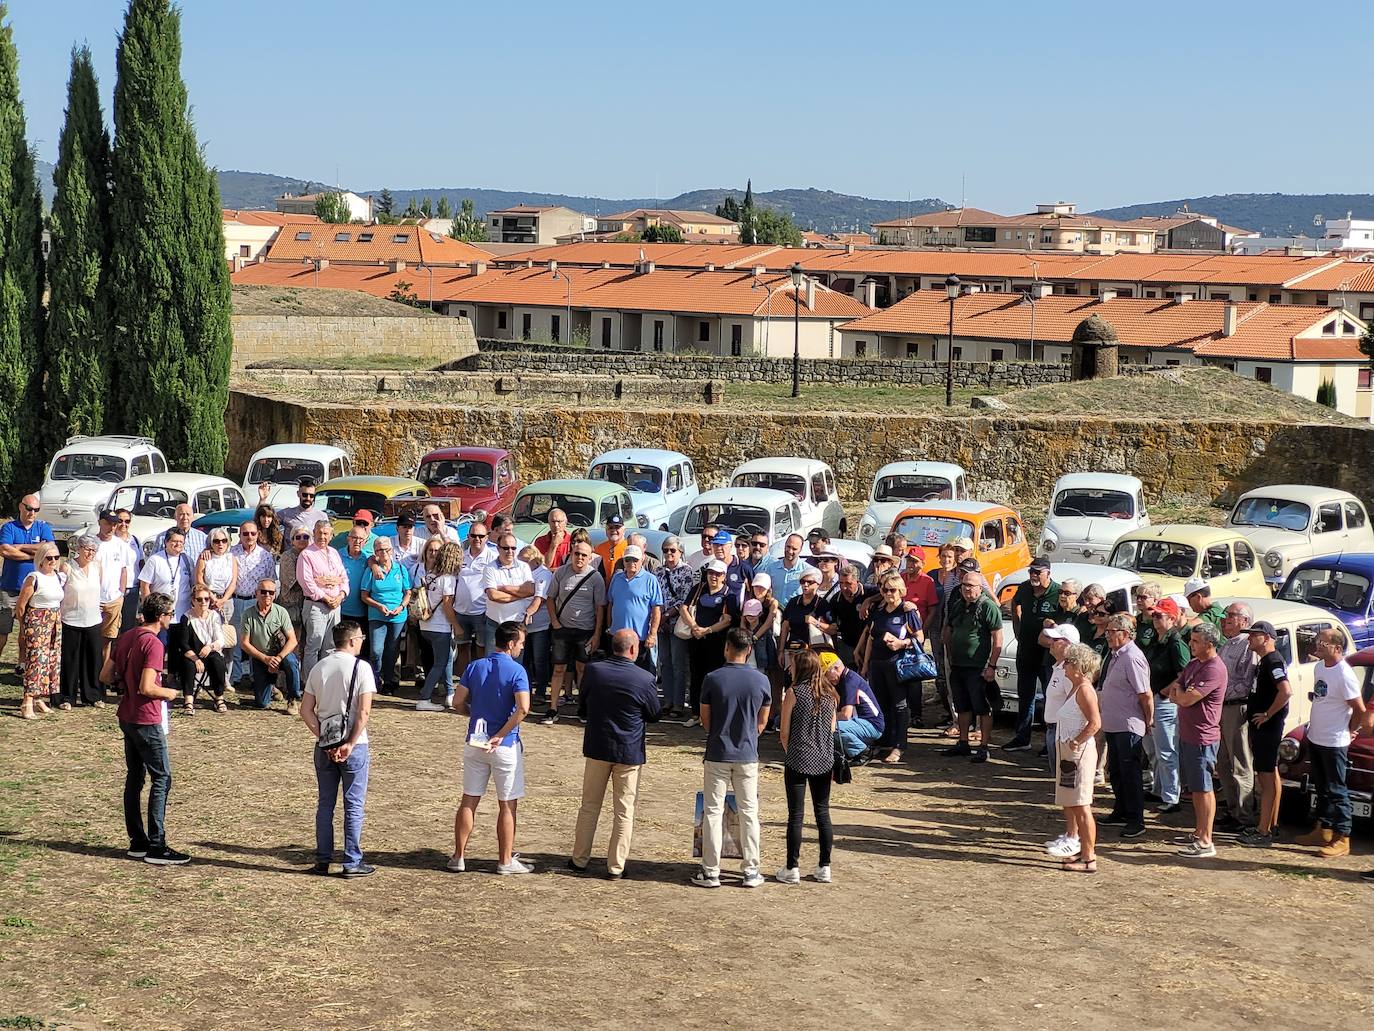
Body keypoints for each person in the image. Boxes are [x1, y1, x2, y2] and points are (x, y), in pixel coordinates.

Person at [568, 630, 661, 879]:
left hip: (598, 746)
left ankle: (579, 859)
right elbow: (654, 714)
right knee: (624, 810)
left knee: (589, 805)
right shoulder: (644, 678)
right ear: (633, 649)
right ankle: (616, 865)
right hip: (628, 751)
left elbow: (583, 705)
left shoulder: (594, 670)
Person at [105, 592, 190, 865]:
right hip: (146, 717)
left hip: (127, 715)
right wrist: (171, 693)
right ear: (162, 616)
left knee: (134, 777)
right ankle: (156, 845)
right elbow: (147, 687)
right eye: (170, 614)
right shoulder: (153, 645)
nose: (171, 618)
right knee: (162, 778)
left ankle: (137, 841)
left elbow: (104, 675)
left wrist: (123, 680)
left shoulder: (127, 636)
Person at [449, 621, 533, 876]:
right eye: (520, 643)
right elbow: (523, 709)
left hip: (476, 741)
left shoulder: (475, 666)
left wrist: (473, 717)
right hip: (505, 746)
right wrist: (501, 735)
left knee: (469, 799)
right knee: (507, 804)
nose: (521, 648)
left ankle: (458, 856)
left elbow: (457, 702)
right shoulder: (517, 671)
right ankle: (505, 860)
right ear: (511, 644)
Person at [692, 628, 771, 889]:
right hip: (747, 753)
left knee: (713, 812)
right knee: (749, 812)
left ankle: (711, 870)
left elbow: (706, 720)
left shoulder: (712, 678)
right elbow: (762, 722)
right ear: (749, 651)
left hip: (718, 751)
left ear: (727, 648)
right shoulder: (761, 680)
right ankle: (751, 870)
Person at [301, 620, 377, 878]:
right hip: (355, 746)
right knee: (353, 805)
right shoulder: (361, 668)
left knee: (325, 804)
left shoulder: (319, 667)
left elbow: (306, 710)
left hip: (324, 745)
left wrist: (324, 738)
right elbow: (364, 711)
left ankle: (323, 858)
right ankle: (351, 861)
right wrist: (350, 743)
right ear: (353, 640)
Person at [1293, 629, 1368, 859]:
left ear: (1336, 647)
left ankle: (1342, 836)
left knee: (1337, 789)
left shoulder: (1344, 674)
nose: (1317, 644)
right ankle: (1323, 829)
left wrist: (1351, 729)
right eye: (1317, 641)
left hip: (1335, 741)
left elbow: (1359, 709)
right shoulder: (1319, 667)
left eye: (1322, 642)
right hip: (1317, 736)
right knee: (1321, 787)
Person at [1163, 622, 1226, 859]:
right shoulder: (1193, 664)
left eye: (1196, 641)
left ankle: (1206, 840)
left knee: (1203, 789)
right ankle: (1199, 831)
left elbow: (1187, 699)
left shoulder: (1214, 669)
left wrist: (1181, 694)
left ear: (1209, 644)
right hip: (1188, 734)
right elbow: (1176, 689)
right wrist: (1181, 693)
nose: (1191, 645)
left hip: (1203, 737)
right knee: (1195, 789)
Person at [776, 649, 838, 884]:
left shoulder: (794, 693)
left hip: (798, 757)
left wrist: (790, 751)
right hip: (823, 759)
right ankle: (825, 865)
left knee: (796, 815)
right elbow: (832, 729)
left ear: (799, 668)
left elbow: (784, 732)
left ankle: (792, 866)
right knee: (822, 812)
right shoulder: (830, 694)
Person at [857, 571, 924, 764]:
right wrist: (865, 664)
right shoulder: (878, 610)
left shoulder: (907, 611)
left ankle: (899, 745)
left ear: (901, 591)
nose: (888, 593)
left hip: (897, 663)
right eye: (885, 590)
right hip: (877, 663)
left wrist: (901, 643)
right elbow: (871, 636)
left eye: (892, 590)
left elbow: (920, 637)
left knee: (900, 705)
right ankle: (884, 742)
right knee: (881, 704)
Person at [1097, 612, 1153, 839]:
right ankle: (1121, 810)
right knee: (1117, 771)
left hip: (1128, 725)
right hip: (1114, 723)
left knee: (1130, 773)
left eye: (1111, 632)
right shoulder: (1116, 655)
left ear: (1125, 634)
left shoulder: (1132, 657)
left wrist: (1148, 720)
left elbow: (1145, 694)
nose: (1107, 635)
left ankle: (1136, 819)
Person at [1237, 621, 1292, 848]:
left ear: (1267, 638)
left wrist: (1268, 714)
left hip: (1268, 730)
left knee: (1266, 779)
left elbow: (1286, 690)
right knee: (1271, 776)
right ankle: (1270, 824)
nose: (1249, 639)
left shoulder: (1273, 661)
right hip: (1263, 729)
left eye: (1254, 635)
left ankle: (1263, 831)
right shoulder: (1266, 662)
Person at [1051, 643, 1103, 874]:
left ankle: (1089, 858)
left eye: (1069, 662)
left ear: (1079, 667)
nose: (1065, 666)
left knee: (1082, 806)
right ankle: (1082, 851)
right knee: (1073, 803)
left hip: (1078, 753)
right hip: (1068, 752)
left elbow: (1095, 723)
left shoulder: (1084, 689)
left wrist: (1077, 741)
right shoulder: (1076, 687)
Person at [942, 570, 1004, 763]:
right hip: (958, 664)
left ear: (980, 587)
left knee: (982, 707)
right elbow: (949, 628)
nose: (967, 589)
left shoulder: (988, 607)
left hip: (978, 666)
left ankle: (984, 746)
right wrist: (949, 652)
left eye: (971, 585)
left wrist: (991, 666)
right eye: (964, 585)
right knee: (962, 705)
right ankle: (963, 742)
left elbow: (998, 638)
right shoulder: (959, 605)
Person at [544, 539, 606, 722]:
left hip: (585, 631)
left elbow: (600, 607)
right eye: (576, 553)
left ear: (590, 558)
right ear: (571, 554)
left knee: (583, 669)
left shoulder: (595, 578)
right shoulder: (561, 573)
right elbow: (550, 598)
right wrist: (554, 621)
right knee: (558, 669)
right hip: (562, 629)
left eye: (584, 555)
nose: (579, 558)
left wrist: (596, 634)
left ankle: (583, 707)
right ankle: (553, 708)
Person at [1006, 556, 1060, 752]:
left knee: (1050, 697)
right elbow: (1015, 603)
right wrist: (1016, 627)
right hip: (1026, 650)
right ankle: (1022, 738)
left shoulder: (1057, 592)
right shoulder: (1024, 588)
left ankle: (1050, 742)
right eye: (1031, 571)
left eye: (1038, 572)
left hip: (1048, 655)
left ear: (1048, 573)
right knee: (1025, 695)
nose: (1034, 575)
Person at [1143, 598, 1190, 815]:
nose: (1154, 619)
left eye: (1159, 615)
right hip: (1153, 700)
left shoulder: (1176, 643)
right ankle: (1159, 789)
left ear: (1172, 618)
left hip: (1165, 703)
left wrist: (1165, 691)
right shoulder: (1157, 640)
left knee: (1167, 749)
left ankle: (1172, 796)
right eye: (1153, 615)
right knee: (1153, 748)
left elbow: (1184, 675)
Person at [1040, 625, 1084, 859]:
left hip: (1064, 733)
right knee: (1062, 785)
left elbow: (1075, 704)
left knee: (1069, 787)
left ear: (1067, 644)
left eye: (1056, 640)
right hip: (1054, 731)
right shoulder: (1059, 668)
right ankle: (1070, 832)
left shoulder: (1070, 673)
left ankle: (1074, 836)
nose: (1050, 642)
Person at [680, 559, 739, 728]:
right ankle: (696, 713)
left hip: (717, 642)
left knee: (714, 676)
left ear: (724, 576)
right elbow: (684, 608)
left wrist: (707, 630)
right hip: (696, 639)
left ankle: (713, 713)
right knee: (696, 675)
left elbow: (728, 619)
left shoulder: (729, 594)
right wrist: (694, 627)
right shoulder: (699, 588)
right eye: (711, 573)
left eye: (718, 574)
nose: (713, 577)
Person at [1215, 602, 1257, 833]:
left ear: (1244, 621)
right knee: (1222, 763)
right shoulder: (1226, 645)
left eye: (1230, 616)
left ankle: (1244, 815)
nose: (1224, 619)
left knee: (1239, 762)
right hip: (1221, 708)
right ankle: (1232, 810)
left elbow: (1244, 683)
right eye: (1224, 616)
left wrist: (1218, 691)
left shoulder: (1247, 647)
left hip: (1235, 708)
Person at [0, 493, 55, 664]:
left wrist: (22, 547)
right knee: (2, 631)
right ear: (21, 506)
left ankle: (22, 664)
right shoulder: (9, 527)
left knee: (26, 630)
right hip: (10, 588)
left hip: (34, 589)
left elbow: (49, 547)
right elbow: (5, 551)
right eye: (29, 508)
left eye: (36, 510)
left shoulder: (42, 527)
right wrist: (34, 556)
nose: (32, 512)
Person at [14, 542, 64, 718]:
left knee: (51, 660)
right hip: (37, 621)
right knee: (36, 660)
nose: (53, 561)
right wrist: (24, 627)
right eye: (49, 558)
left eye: (56, 557)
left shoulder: (57, 576)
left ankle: (39, 697)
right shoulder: (34, 577)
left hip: (54, 621)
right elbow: (21, 605)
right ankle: (27, 701)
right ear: (41, 559)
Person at [239, 578, 303, 712]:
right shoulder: (247, 614)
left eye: (271, 592)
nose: (267, 595)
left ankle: (292, 699)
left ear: (275, 594)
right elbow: (244, 643)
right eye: (263, 592)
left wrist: (278, 658)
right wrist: (265, 659)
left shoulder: (281, 612)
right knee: (262, 704)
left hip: (280, 654)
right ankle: (272, 689)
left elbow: (292, 640)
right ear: (256, 593)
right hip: (260, 657)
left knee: (292, 662)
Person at [228, 521, 279, 685]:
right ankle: (235, 677)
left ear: (258, 535)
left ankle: (254, 676)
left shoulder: (265, 556)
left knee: (255, 642)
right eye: (245, 533)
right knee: (236, 640)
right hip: (235, 600)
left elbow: (272, 581)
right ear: (239, 535)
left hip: (255, 602)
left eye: (252, 533)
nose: (249, 536)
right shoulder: (231, 553)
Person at [58, 535, 104, 710]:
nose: (90, 553)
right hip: (71, 619)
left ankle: (92, 695)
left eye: (93, 550)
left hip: (92, 620)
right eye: (87, 549)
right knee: (70, 660)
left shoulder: (97, 566)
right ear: (79, 549)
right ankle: (66, 697)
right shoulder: (68, 566)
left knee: (93, 659)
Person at [298, 520, 348, 679]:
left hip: (336, 606)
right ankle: (311, 683)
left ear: (331, 535)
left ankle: (325, 682)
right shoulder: (306, 554)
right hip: (316, 606)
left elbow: (344, 579)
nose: (322, 537)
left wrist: (340, 596)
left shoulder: (334, 553)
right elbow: (307, 582)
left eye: (326, 533)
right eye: (319, 533)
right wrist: (326, 596)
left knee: (331, 646)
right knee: (313, 646)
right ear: (314, 532)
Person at [415, 539, 461, 712]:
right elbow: (448, 606)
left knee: (447, 658)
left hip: (425, 624)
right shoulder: (447, 579)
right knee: (439, 663)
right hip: (440, 626)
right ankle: (425, 698)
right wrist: (456, 625)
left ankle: (450, 693)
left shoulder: (431, 574)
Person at [361, 537, 412, 693]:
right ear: (375, 552)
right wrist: (378, 605)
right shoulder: (371, 571)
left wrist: (402, 606)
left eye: (386, 549)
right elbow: (364, 595)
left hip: (398, 615)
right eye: (379, 550)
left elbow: (408, 592)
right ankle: (375, 679)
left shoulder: (400, 569)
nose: (383, 553)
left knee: (392, 649)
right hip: (377, 615)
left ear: (392, 551)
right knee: (376, 650)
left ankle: (389, 681)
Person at [655, 535, 696, 719]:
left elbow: (684, 599)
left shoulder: (686, 571)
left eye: (673, 550)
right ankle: (668, 700)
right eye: (665, 550)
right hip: (661, 624)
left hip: (676, 622)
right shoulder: (658, 572)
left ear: (680, 552)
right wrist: (659, 618)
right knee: (664, 662)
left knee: (678, 664)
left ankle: (678, 703)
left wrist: (665, 616)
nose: (669, 554)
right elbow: (655, 595)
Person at [606, 545, 663, 675]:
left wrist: (652, 634)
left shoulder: (650, 580)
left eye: (635, 560)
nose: (631, 563)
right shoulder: (616, 578)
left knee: (638, 675)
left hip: (639, 639)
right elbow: (611, 603)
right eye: (628, 559)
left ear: (642, 560)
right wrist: (609, 627)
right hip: (617, 637)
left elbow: (656, 609)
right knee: (617, 675)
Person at [177, 586, 229, 714]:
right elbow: (183, 644)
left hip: (210, 652)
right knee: (188, 665)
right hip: (191, 654)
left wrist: (210, 646)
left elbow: (220, 640)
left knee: (218, 662)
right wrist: (195, 659)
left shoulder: (214, 616)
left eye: (206, 599)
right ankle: (188, 701)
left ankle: (219, 697)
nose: (203, 602)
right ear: (193, 601)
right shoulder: (186, 618)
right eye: (199, 599)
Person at [824, 652, 884, 760]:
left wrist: (824, 718)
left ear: (836, 668)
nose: (826, 678)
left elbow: (846, 715)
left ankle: (863, 752)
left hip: (871, 724)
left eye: (826, 674)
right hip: (864, 722)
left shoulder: (849, 681)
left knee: (830, 727)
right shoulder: (845, 679)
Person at [483, 533, 535, 653]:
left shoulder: (524, 567)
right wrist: (520, 594)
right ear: (498, 548)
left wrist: (505, 588)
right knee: (493, 662)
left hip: (517, 625)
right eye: (506, 548)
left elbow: (530, 590)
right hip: (495, 625)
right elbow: (493, 595)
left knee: (516, 663)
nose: (510, 551)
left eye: (513, 548)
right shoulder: (489, 568)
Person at [94, 510, 133, 666]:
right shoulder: (92, 543)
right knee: (93, 637)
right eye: (108, 523)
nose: (112, 527)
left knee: (108, 639)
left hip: (114, 599)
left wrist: (121, 594)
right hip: (94, 599)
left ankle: (104, 674)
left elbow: (124, 570)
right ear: (100, 522)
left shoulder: (121, 545)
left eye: (114, 524)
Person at [452, 522, 493, 663]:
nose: (477, 539)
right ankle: (465, 680)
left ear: (487, 537)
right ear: (468, 537)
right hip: (460, 611)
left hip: (482, 612)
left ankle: (481, 681)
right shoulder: (460, 557)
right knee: (462, 648)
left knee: (482, 649)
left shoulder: (493, 558)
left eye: (481, 536)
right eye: (474, 535)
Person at [519, 545, 554, 706]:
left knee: (539, 659)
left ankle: (540, 691)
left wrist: (527, 614)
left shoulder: (544, 574)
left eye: (525, 561)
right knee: (523, 659)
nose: (521, 563)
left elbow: (539, 599)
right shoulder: (521, 572)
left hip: (539, 624)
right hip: (521, 623)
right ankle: (524, 690)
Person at [196, 528, 239, 617]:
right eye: (216, 541)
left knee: (226, 629)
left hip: (227, 600)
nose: (221, 544)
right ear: (211, 543)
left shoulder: (231, 558)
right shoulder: (204, 558)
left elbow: (233, 582)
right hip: (208, 600)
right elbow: (199, 580)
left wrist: (223, 600)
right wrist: (213, 599)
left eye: (224, 540)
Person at [756, 533, 807, 607]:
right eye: (788, 547)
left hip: (795, 613)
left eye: (794, 549)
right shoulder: (771, 568)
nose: (790, 551)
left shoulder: (806, 571)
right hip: (774, 611)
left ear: (800, 550)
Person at [899, 546, 938, 627]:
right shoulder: (900, 578)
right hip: (898, 624)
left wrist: (923, 631)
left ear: (922, 564)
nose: (910, 564)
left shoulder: (928, 581)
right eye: (909, 560)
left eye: (914, 561)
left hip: (915, 627)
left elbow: (932, 611)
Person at [594, 514, 628, 585]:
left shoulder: (628, 548)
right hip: (603, 591)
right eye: (610, 527)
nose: (614, 530)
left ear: (624, 530)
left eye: (617, 527)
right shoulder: (599, 549)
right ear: (606, 530)